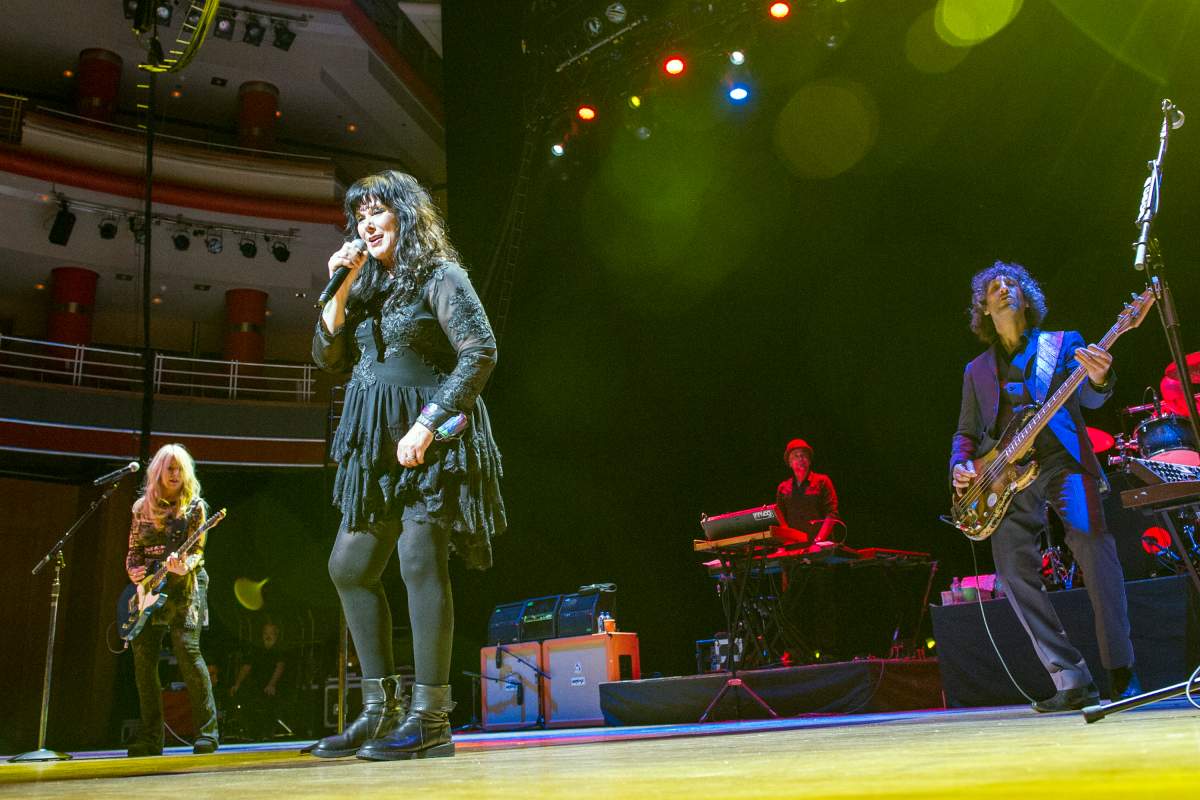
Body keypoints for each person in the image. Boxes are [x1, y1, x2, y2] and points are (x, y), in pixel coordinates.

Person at [310, 170, 506, 761]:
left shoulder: (440, 276)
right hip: (373, 443)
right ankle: (378, 711)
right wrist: (340, 284)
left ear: (406, 214)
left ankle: (431, 717)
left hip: (433, 434)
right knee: (349, 566)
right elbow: (327, 356)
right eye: (358, 214)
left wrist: (428, 423)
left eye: (377, 210)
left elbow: (481, 350)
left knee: (420, 562)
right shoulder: (364, 286)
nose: (366, 223)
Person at [950, 261, 1139, 712]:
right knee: (1013, 572)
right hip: (1004, 477)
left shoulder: (1062, 343)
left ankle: (1122, 672)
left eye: (1011, 283)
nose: (1003, 289)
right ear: (984, 307)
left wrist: (1099, 377)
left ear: (1025, 297)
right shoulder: (975, 370)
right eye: (994, 286)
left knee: (1093, 546)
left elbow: (1091, 398)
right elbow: (966, 432)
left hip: (1060, 462)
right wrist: (959, 465)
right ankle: (1070, 678)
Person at [125, 443, 219, 756]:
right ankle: (152, 737)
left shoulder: (195, 508)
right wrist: (142, 581)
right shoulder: (141, 509)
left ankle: (207, 732)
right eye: (170, 469)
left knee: (188, 650)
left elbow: (197, 551)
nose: (175, 474)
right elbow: (133, 554)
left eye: (180, 468)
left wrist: (184, 565)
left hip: (186, 585)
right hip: (150, 588)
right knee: (143, 656)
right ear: (158, 473)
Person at [229, 622, 288, 739]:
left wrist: (272, 684)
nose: (268, 636)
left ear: (276, 634)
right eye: (266, 633)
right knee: (244, 696)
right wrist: (237, 684)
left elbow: (280, 667)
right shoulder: (256, 648)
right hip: (256, 684)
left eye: (271, 633)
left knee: (269, 701)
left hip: (276, 684)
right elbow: (246, 667)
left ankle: (268, 732)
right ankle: (249, 731)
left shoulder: (280, 649)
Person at [775, 439, 840, 544]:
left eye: (804, 455)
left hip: (821, 545)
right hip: (795, 546)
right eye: (796, 455)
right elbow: (781, 520)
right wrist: (787, 542)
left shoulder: (822, 481)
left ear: (809, 461)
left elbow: (832, 514)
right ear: (790, 463)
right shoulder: (783, 488)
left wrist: (819, 540)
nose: (800, 458)